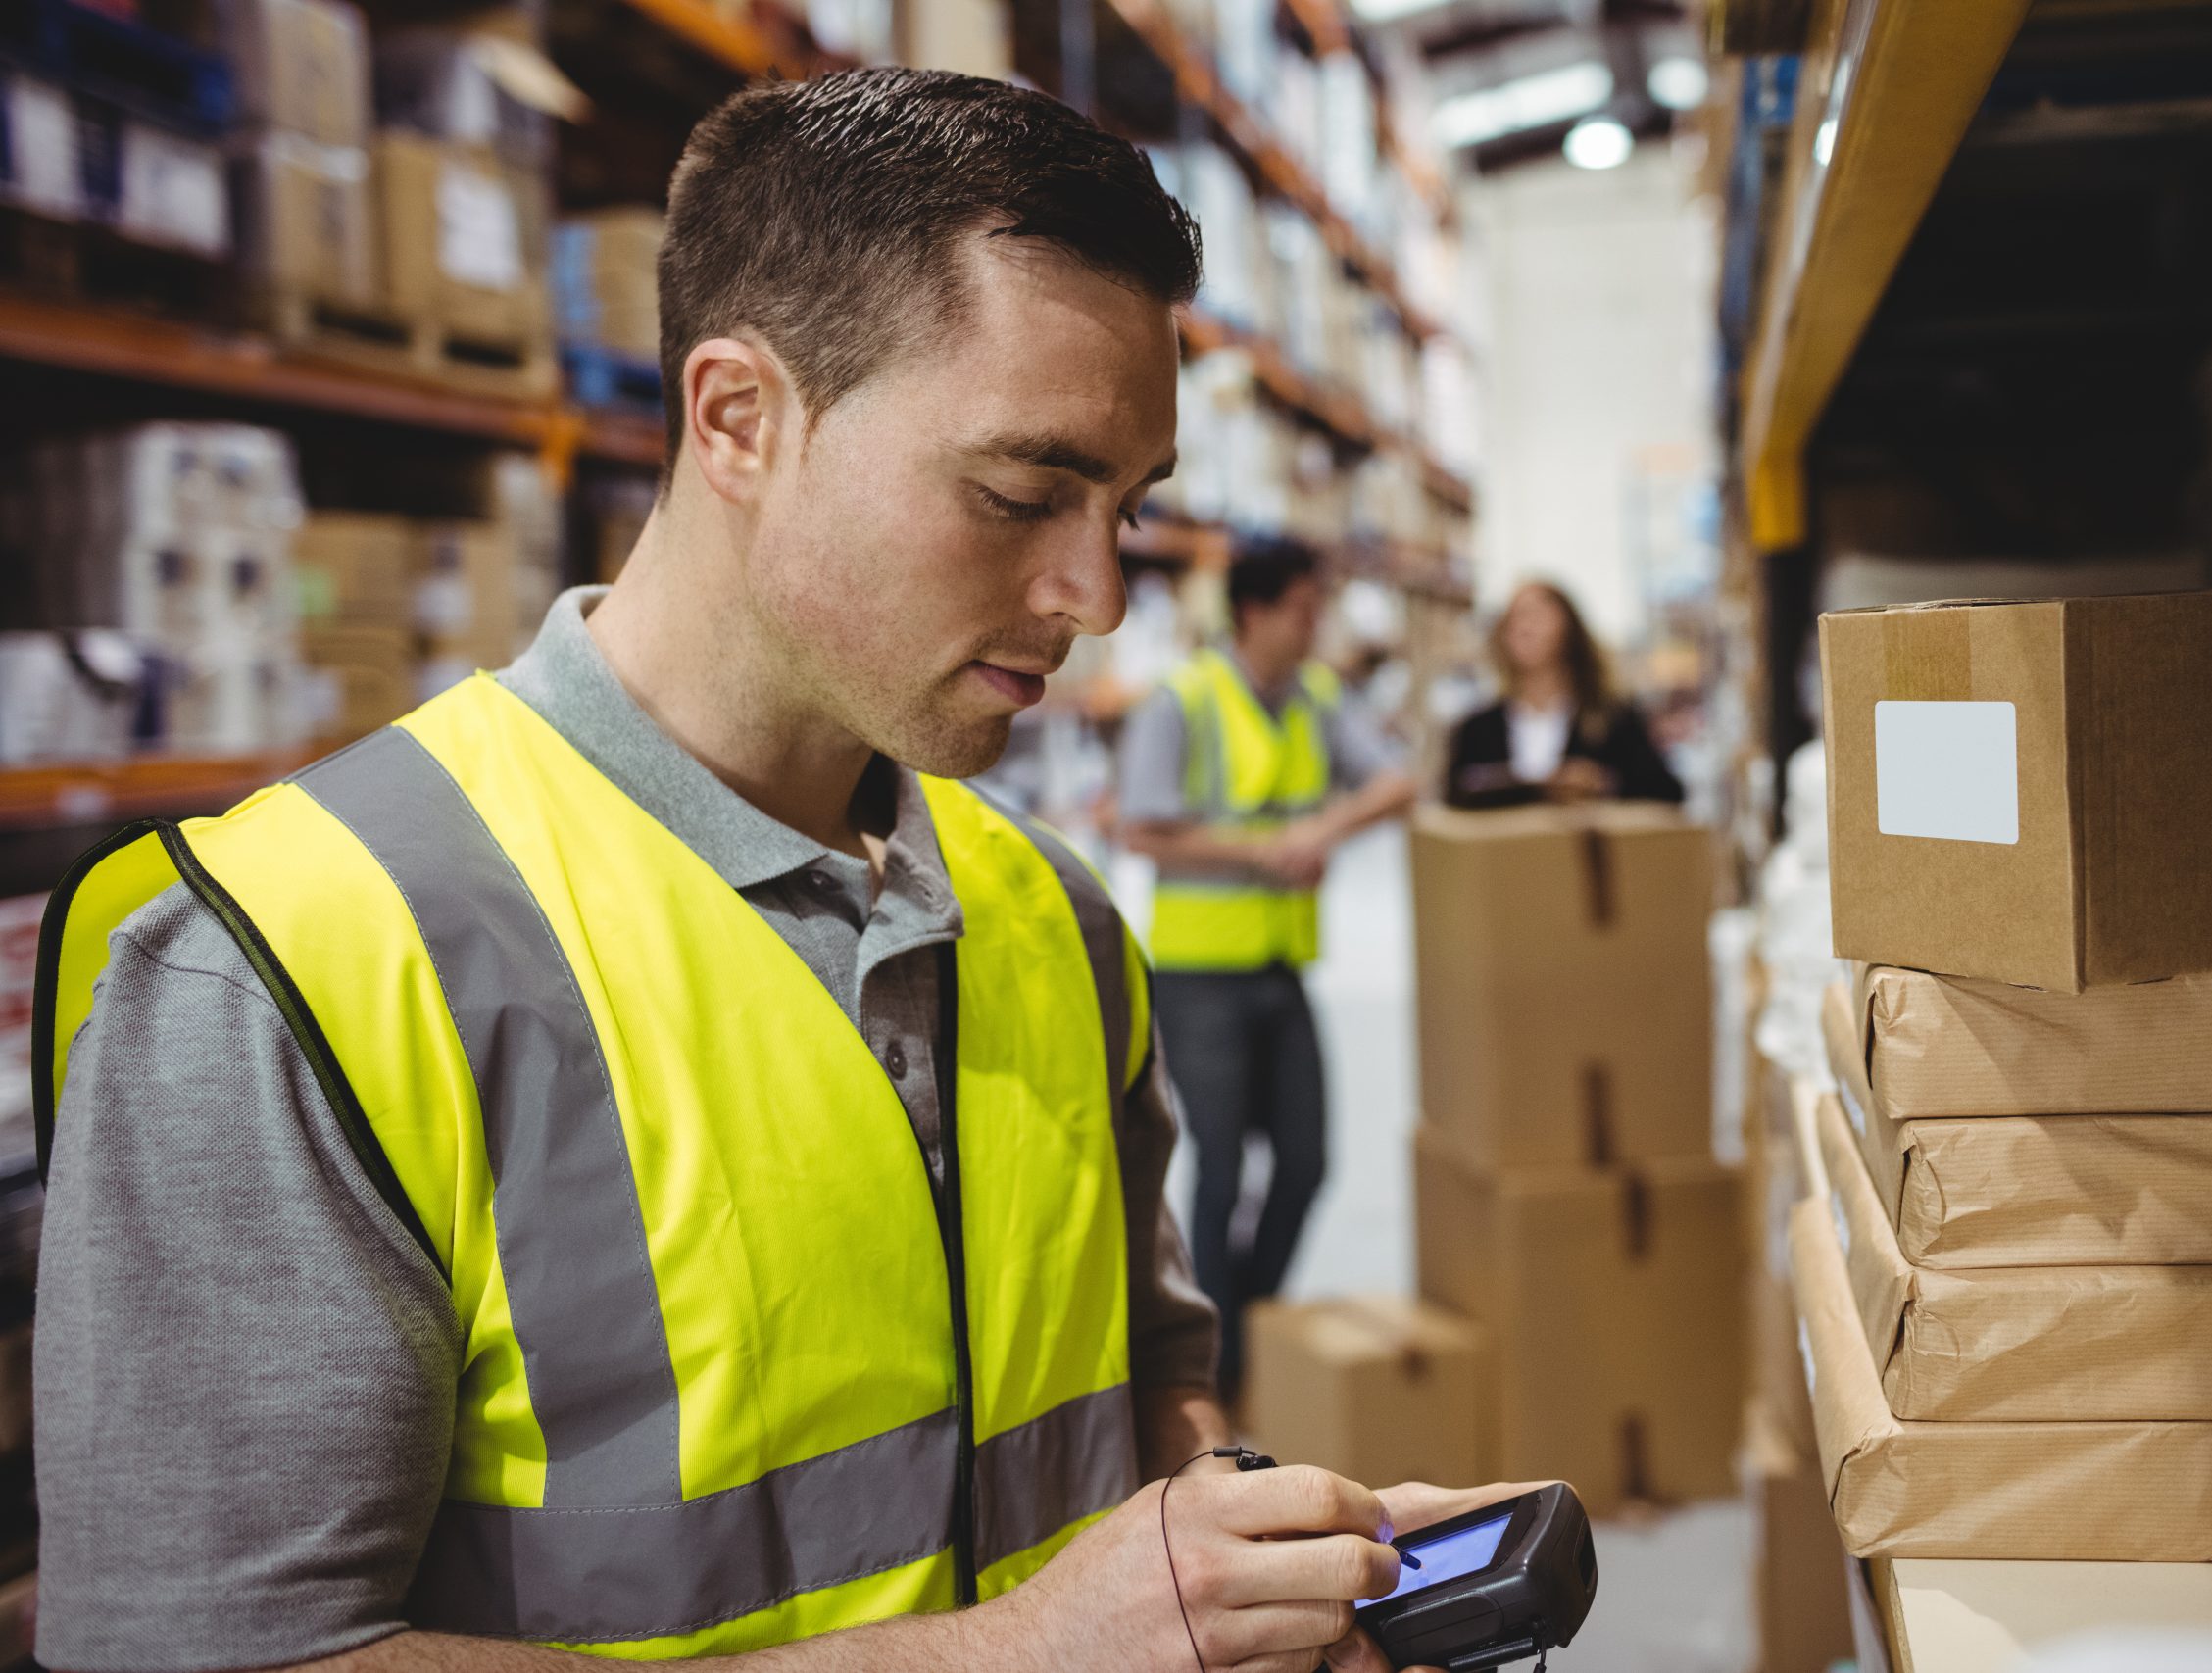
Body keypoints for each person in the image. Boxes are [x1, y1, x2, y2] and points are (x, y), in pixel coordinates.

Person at [31, 70, 1516, 1673]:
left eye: (1129, 512)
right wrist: (1016, 1654)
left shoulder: (1052, 918)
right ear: (739, 417)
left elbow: (1143, 1386)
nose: (1097, 596)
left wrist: (1238, 1575)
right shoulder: (297, 964)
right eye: (1021, 494)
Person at [1115, 541, 1416, 1397]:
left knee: (1307, 1160)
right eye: (1302, 607)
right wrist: (1262, 852)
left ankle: (1244, 1326)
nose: (1315, 622)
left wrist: (1322, 832)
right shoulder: (1183, 701)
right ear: (1252, 610)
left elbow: (1396, 782)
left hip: (1282, 969)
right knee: (1219, 1169)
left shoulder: (1315, 698)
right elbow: (1141, 828)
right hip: (1198, 972)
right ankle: (1218, 1367)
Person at [1444, 580, 1686, 810]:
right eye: (1515, 617)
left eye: (1537, 615)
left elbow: (1667, 794)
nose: (1525, 627)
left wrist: (1603, 784)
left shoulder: (1613, 721)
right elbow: (1452, 799)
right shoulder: (1477, 729)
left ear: (1570, 629)